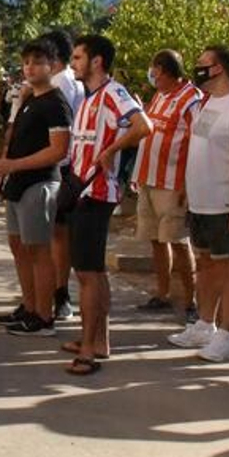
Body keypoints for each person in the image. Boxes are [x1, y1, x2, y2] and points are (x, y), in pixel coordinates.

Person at [59, 34, 150, 375]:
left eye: (79, 57)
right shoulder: (89, 96)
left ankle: (88, 350)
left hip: (96, 193)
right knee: (91, 270)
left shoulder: (113, 93)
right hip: (81, 190)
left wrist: (113, 150)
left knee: (87, 274)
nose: (73, 63)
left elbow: (144, 125)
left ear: (97, 61)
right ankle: (99, 340)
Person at [167, 46, 229, 363]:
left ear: (219, 68)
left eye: (202, 64)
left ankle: (227, 335)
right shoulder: (208, 104)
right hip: (200, 203)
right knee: (205, 263)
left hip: (224, 204)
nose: (197, 69)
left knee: (228, 266)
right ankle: (205, 324)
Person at [0, 39, 72, 336]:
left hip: (39, 184)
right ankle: (29, 306)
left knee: (39, 251)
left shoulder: (56, 102)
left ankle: (44, 316)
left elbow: (58, 150)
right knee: (19, 247)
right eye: (26, 62)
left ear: (52, 66)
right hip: (17, 185)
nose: (30, 67)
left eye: (38, 62)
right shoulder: (31, 99)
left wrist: (16, 165)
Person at [130, 49, 200, 319]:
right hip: (148, 177)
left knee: (179, 242)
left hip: (173, 182)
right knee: (156, 240)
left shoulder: (191, 99)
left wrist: (187, 183)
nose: (152, 76)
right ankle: (163, 293)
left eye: (155, 71)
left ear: (168, 71)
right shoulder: (160, 94)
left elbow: (197, 141)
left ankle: (191, 300)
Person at [43, 29, 85, 319]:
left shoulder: (59, 84)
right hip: (71, 164)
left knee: (55, 235)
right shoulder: (75, 83)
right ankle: (57, 291)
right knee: (60, 234)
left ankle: (58, 293)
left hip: (57, 165)